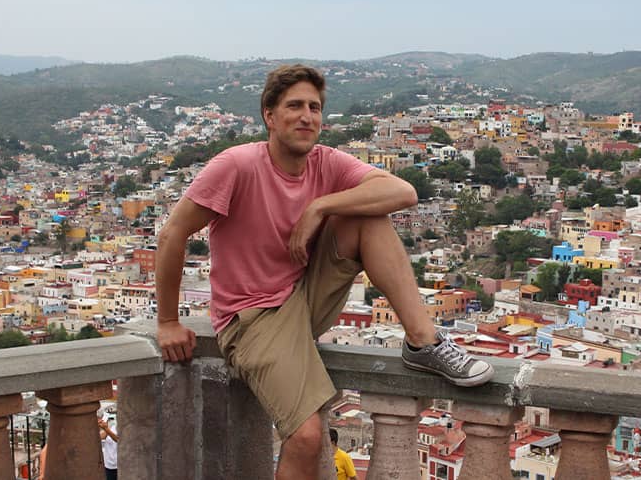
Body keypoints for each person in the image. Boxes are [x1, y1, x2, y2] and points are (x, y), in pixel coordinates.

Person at [156, 63, 494, 480]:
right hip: (254, 316)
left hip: (306, 295)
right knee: (306, 437)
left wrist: (321, 206)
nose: (306, 117)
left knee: (369, 215)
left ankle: (424, 343)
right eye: (294, 106)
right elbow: (172, 233)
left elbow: (403, 192)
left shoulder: (326, 163)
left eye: (314, 108)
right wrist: (167, 321)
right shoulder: (237, 166)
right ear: (269, 116)